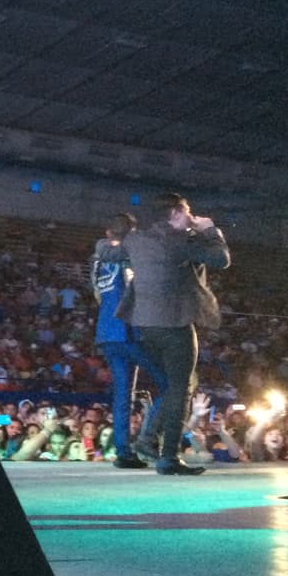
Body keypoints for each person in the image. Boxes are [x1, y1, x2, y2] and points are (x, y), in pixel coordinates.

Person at [118, 193, 230, 476]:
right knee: (181, 389)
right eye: (188, 212)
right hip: (175, 323)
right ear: (175, 214)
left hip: (144, 324)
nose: (192, 216)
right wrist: (210, 230)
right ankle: (168, 457)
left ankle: (147, 440)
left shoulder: (136, 239)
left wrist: (110, 241)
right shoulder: (180, 241)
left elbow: (108, 252)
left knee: (172, 387)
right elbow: (221, 259)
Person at [91, 212, 167, 469]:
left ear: (108, 232)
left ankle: (124, 452)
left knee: (123, 395)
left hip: (106, 330)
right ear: (130, 234)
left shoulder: (98, 260)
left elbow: (97, 295)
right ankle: (146, 439)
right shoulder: (130, 256)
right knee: (170, 384)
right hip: (129, 331)